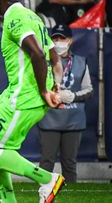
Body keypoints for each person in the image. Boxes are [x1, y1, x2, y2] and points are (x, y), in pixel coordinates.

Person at [0, 0, 65, 203]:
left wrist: (46, 93)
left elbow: (37, 53)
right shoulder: (33, 16)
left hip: (24, 97)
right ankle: (8, 200)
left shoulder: (13, 16)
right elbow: (55, 56)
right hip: (22, 94)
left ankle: (46, 179)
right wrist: (56, 87)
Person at [38, 24, 93, 183]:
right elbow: (37, 88)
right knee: (46, 162)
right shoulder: (43, 62)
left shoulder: (81, 62)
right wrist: (51, 95)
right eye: (55, 38)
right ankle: (43, 192)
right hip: (49, 119)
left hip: (73, 120)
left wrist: (72, 97)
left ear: (70, 40)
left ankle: (71, 196)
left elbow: (89, 90)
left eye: (62, 38)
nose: (58, 41)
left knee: (69, 163)